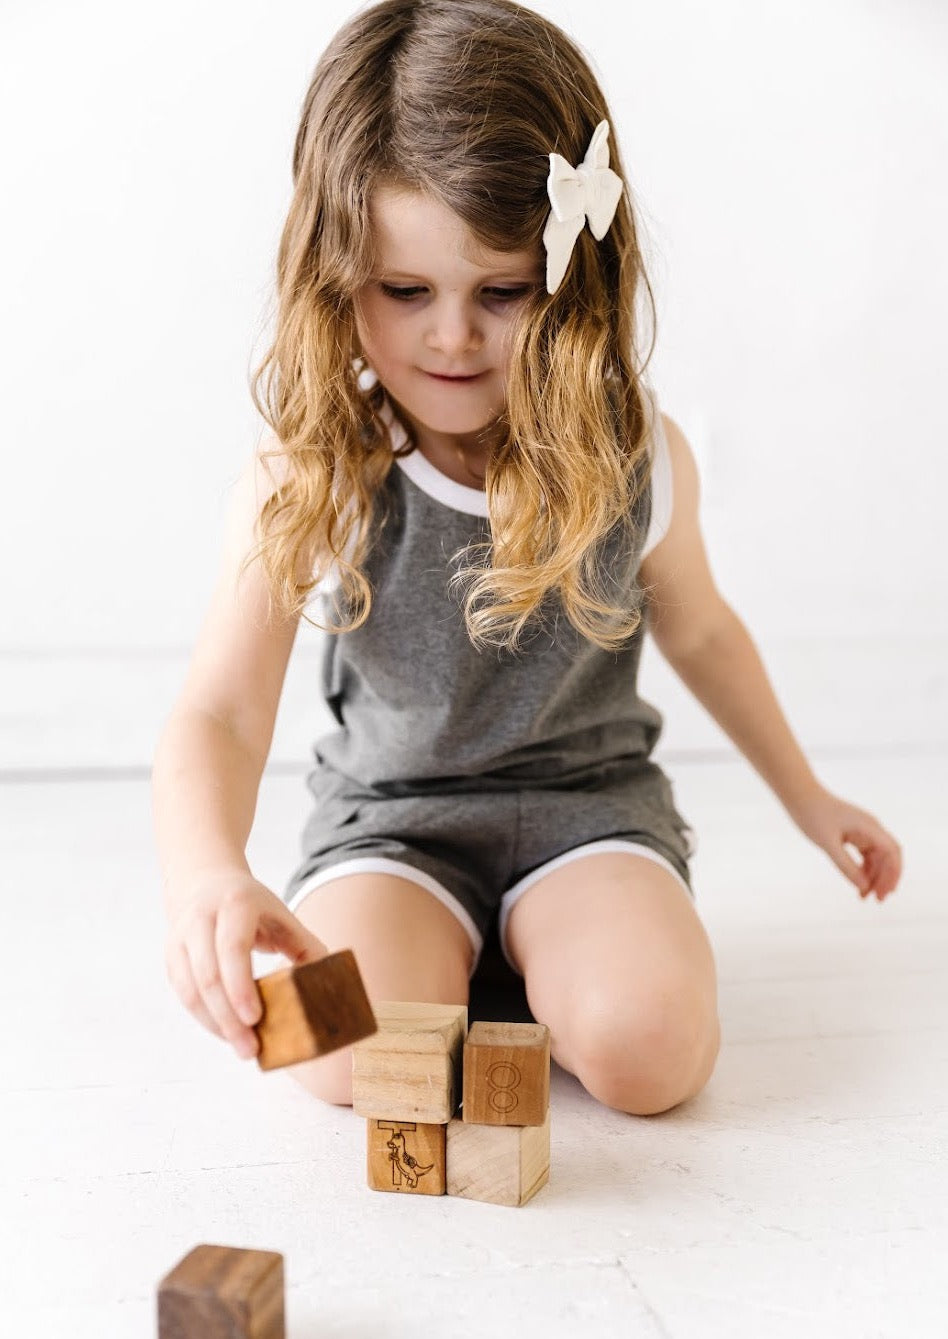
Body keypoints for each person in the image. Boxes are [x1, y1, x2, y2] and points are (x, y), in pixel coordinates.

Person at [152, 0, 903, 1118]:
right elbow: (218, 707)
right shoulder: (319, 465)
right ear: (334, 272)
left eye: (502, 291)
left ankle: (551, 960)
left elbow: (699, 627)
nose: (450, 337)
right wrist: (207, 870)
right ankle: (463, 965)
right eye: (403, 292)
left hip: (585, 808)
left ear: (574, 279)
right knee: (332, 1054)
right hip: (393, 822)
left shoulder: (636, 450)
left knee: (655, 1058)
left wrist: (810, 797)